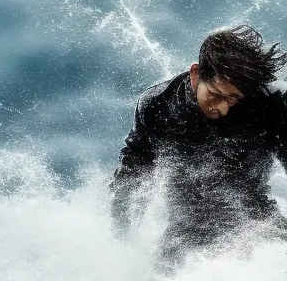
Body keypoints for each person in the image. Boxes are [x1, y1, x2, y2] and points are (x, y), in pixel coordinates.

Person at [110, 25, 287, 263]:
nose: (223, 108)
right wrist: (121, 236)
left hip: (257, 222)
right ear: (195, 74)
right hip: (185, 233)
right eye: (216, 94)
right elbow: (133, 173)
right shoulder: (159, 104)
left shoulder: (270, 105)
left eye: (234, 99)